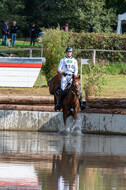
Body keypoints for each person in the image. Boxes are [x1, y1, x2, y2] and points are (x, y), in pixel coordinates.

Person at [56, 46, 86, 111]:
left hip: (72, 76)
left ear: (71, 52)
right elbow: (59, 69)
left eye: (70, 52)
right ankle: (59, 104)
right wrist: (63, 73)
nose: (69, 53)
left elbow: (76, 69)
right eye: (68, 52)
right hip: (65, 76)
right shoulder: (63, 60)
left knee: (77, 88)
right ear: (66, 52)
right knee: (62, 88)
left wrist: (74, 76)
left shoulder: (74, 60)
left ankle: (81, 104)